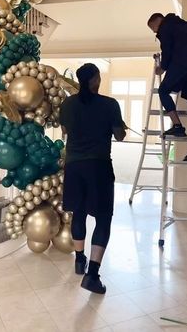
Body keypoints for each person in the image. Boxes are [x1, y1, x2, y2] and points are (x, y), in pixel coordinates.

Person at [60, 63, 126, 294]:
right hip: (98, 166)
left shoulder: (67, 104)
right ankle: (93, 275)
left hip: (74, 165)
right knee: (103, 219)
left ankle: (80, 260)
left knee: (78, 212)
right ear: (96, 79)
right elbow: (119, 136)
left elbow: (66, 131)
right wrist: (118, 127)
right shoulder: (110, 104)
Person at [148, 12, 187, 161]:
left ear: (158, 21)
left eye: (153, 28)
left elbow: (166, 51)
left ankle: (177, 126)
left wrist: (162, 67)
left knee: (163, 90)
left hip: (184, 62)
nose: (155, 32)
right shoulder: (183, 24)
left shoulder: (165, 27)